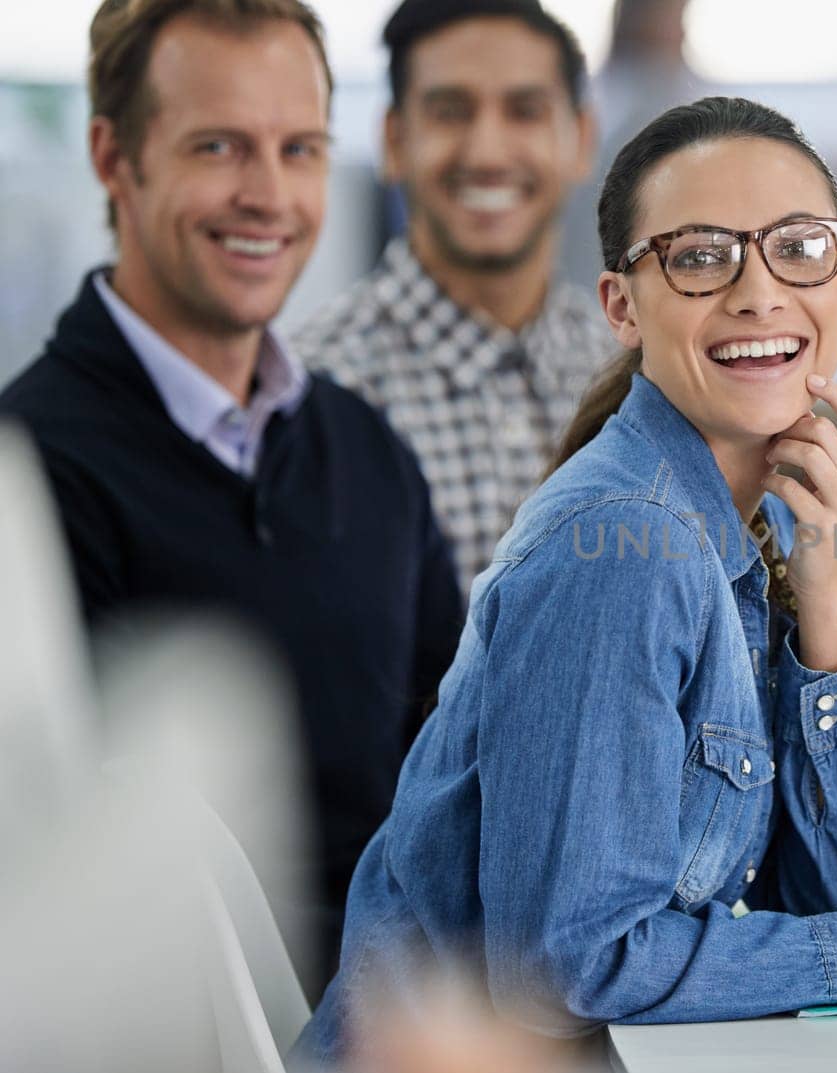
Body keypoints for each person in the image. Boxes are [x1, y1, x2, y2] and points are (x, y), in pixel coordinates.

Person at [295, 96, 837, 1058]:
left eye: (798, 248)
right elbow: (562, 969)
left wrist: (829, 584)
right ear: (621, 309)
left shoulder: (764, 517)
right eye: (698, 256)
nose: (759, 292)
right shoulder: (621, 547)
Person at [0, 0, 462, 998]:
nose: (269, 194)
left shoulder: (366, 449)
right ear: (114, 158)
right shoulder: (26, 477)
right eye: (219, 146)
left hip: (411, 1016)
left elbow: (462, 755)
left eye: (299, 149)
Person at [294, 0, 612, 594]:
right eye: (449, 112)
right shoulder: (311, 395)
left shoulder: (641, 376)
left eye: (525, 111)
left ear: (580, 139)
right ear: (393, 140)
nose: (487, 152)